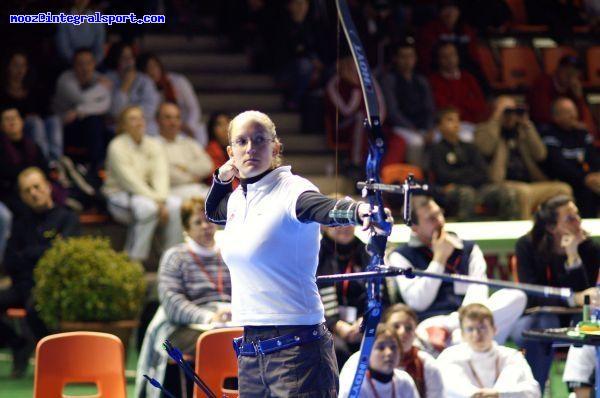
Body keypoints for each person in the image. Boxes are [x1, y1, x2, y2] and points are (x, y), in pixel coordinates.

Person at [205, 110, 392, 396]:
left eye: (259, 140)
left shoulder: (291, 189)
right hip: (251, 351)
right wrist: (221, 176)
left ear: (276, 147)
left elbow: (322, 207)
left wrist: (360, 211)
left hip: (298, 352)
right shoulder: (238, 199)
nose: (251, 148)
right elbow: (214, 211)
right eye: (241, 142)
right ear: (231, 151)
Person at [387, 195, 526, 352]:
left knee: (516, 296)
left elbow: (478, 293)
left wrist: (452, 324)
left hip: (466, 322)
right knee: (424, 334)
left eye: (439, 214)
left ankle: (461, 336)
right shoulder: (401, 256)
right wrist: (439, 260)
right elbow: (418, 302)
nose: (440, 221)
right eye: (431, 219)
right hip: (430, 324)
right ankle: (471, 342)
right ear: (414, 227)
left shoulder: (468, 249)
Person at [135, 197, 231, 398]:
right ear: (186, 229)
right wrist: (208, 318)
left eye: (209, 220)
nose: (206, 226)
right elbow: (172, 303)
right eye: (198, 222)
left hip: (230, 321)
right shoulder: (175, 257)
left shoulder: (231, 253)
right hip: (184, 326)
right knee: (219, 341)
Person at [509, 195, 600, 390]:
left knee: (589, 328)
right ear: (551, 227)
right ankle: (534, 391)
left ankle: (581, 391)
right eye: (569, 218)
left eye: (577, 215)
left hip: (576, 318)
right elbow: (531, 295)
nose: (578, 221)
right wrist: (572, 299)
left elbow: (589, 296)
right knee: (544, 325)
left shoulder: (588, 247)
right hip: (534, 318)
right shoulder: (527, 246)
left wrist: (573, 256)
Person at [0, 167, 80, 378]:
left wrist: (28, 254)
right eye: (27, 191)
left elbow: (60, 256)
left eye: (37, 187)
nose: (34, 193)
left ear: (47, 187)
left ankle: (54, 364)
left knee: (35, 307)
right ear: (22, 196)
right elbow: (9, 259)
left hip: (50, 287)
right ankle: (18, 344)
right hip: (22, 285)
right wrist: (39, 252)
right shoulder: (20, 223)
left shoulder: (67, 218)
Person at [102, 105, 182, 263]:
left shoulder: (153, 144)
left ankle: (172, 259)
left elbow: (161, 175)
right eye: (132, 119)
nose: (138, 122)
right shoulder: (116, 146)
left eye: (141, 118)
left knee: (175, 205)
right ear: (123, 125)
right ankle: (134, 260)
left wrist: (161, 199)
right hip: (118, 195)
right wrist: (157, 202)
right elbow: (130, 181)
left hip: (149, 195)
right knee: (147, 208)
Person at [474, 96, 573, 219]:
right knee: (523, 192)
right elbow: (485, 148)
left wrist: (527, 124)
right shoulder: (484, 129)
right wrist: (496, 119)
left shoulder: (522, 130)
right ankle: (528, 236)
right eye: (507, 111)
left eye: (514, 111)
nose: (511, 115)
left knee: (563, 189)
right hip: (499, 184)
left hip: (529, 183)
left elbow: (540, 154)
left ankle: (561, 229)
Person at [429, 107, 520, 220]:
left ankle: (508, 229)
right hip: (453, 190)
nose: (456, 123)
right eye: (450, 120)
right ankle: (465, 232)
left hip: (478, 188)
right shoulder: (436, 150)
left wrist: (462, 176)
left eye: (457, 120)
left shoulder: (470, 147)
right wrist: (469, 174)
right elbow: (444, 176)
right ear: (439, 126)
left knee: (507, 193)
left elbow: (483, 172)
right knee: (467, 194)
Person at [437, 303, 541, 398]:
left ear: (494, 329)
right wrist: (474, 395)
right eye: (470, 329)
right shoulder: (449, 356)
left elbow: (533, 392)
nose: (476, 334)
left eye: (482, 328)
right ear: (462, 334)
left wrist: (499, 394)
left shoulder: (512, 356)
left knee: (512, 371)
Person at [317, 220, 370, 368]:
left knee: (378, 342)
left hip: (361, 324)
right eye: (339, 223)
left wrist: (364, 321)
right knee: (337, 349)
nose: (345, 227)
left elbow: (379, 295)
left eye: (349, 222)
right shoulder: (315, 253)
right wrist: (336, 324)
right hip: (324, 325)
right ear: (325, 225)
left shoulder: (366, 252)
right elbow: (308, 297)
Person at [52, 47, 111, 172]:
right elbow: (81, 99)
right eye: (80, 63)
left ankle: (101, 167)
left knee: (102, 126)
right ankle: (95, 167)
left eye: (89, 63)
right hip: (65, 126)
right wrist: (101, 88)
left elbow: (105, 104)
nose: (85, 68)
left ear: (94, 64)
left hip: (88, 125)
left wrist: (79, 111)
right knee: (93, 121)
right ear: (73, 65)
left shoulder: (98, 78)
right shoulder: (65, 80)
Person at [541, 97, 600, 218]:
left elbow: (594, 158)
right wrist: (584, 178)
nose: (573, 115)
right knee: (586, 192)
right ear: (556, 117)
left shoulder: (582, 133)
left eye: (574, 111)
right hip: (565, 179)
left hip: (588, 178)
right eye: (567, 112)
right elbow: (558, 166)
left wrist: (594, 174)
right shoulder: (550, 135)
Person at [381, 37, 436, 168]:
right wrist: (413, 129)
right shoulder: (389, 80)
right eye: (403, 57)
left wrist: (429, 128)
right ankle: (416, 177)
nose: (407, 61)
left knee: (439, 138)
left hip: (423, 126)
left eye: (410, 56)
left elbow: (430, 108)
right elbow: (393, 112)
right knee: (416, 142)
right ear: (395, 59)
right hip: (400, 127)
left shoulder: (421, 80)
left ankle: (436, 178)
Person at [138, 53, 208, 146]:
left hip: (184, 123)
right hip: (162, 126)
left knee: (199, 132)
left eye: (154, 66)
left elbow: (193, 108)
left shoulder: (178, 81)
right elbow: (150, 114)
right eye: (147, 69)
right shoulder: (146, 89)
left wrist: (187, 125)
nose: (152, 71)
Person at [338, 324, 420, 398]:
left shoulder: (405, 381)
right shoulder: (355, 388)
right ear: (367, 354)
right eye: (381, 348)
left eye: (393, 347)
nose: (389, 353)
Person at [382, 303, 444, 397]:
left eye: (408, 328)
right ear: (383, 328)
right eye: (396, 326)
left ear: (415, 333)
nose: (402, 332)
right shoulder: (363, 359)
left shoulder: (426, 364)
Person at [528, 55, 595, 137]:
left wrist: (579, 98)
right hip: (547, 128)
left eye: (574, 72)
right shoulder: (543, 83)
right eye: (567, 70)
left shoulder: (574, 89)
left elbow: (586, 121)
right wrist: (568, 122)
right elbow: (541, 115)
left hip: (568, 128)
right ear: (559, 69)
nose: (570, 75)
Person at [156, 102, 213, 200]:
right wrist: (191, 178)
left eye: (177, 118)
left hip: (197, 188)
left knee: (225, 199)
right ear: (158, 120)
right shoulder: (152, 144)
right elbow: (165, 173)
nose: (173, 122)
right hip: (171, 192)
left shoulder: (189, 143)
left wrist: (184, 167)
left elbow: (207, 166)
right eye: (168, 118)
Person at [105, 42, 160, 135]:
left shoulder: (144, 80)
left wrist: (130, 119)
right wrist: (125, 86)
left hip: (144, 126)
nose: (128, 61)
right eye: (124, 57)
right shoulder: (107, 80)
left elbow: (150, 109)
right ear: (116, 59)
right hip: (118, 129)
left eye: (130, 57)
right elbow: (114, 111)